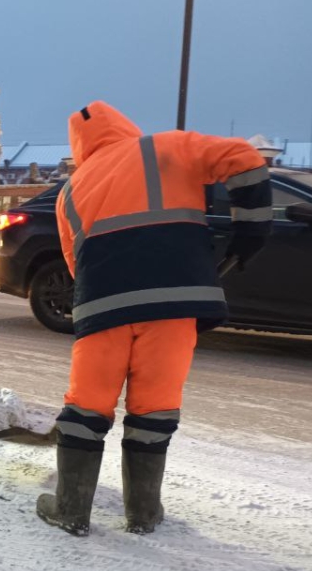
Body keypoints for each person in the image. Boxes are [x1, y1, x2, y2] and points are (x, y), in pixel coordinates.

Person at [38, 101, 271, 536]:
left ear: (79, 145)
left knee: (87, 405)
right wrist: (251, 230)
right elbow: (244, 158)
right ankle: (143, 512)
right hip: (174, 302)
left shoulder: (70, 190)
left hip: (103, 306)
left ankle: (70, 509)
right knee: (155, 405)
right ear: (125, 126)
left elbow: (74, 262)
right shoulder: (167, 148)